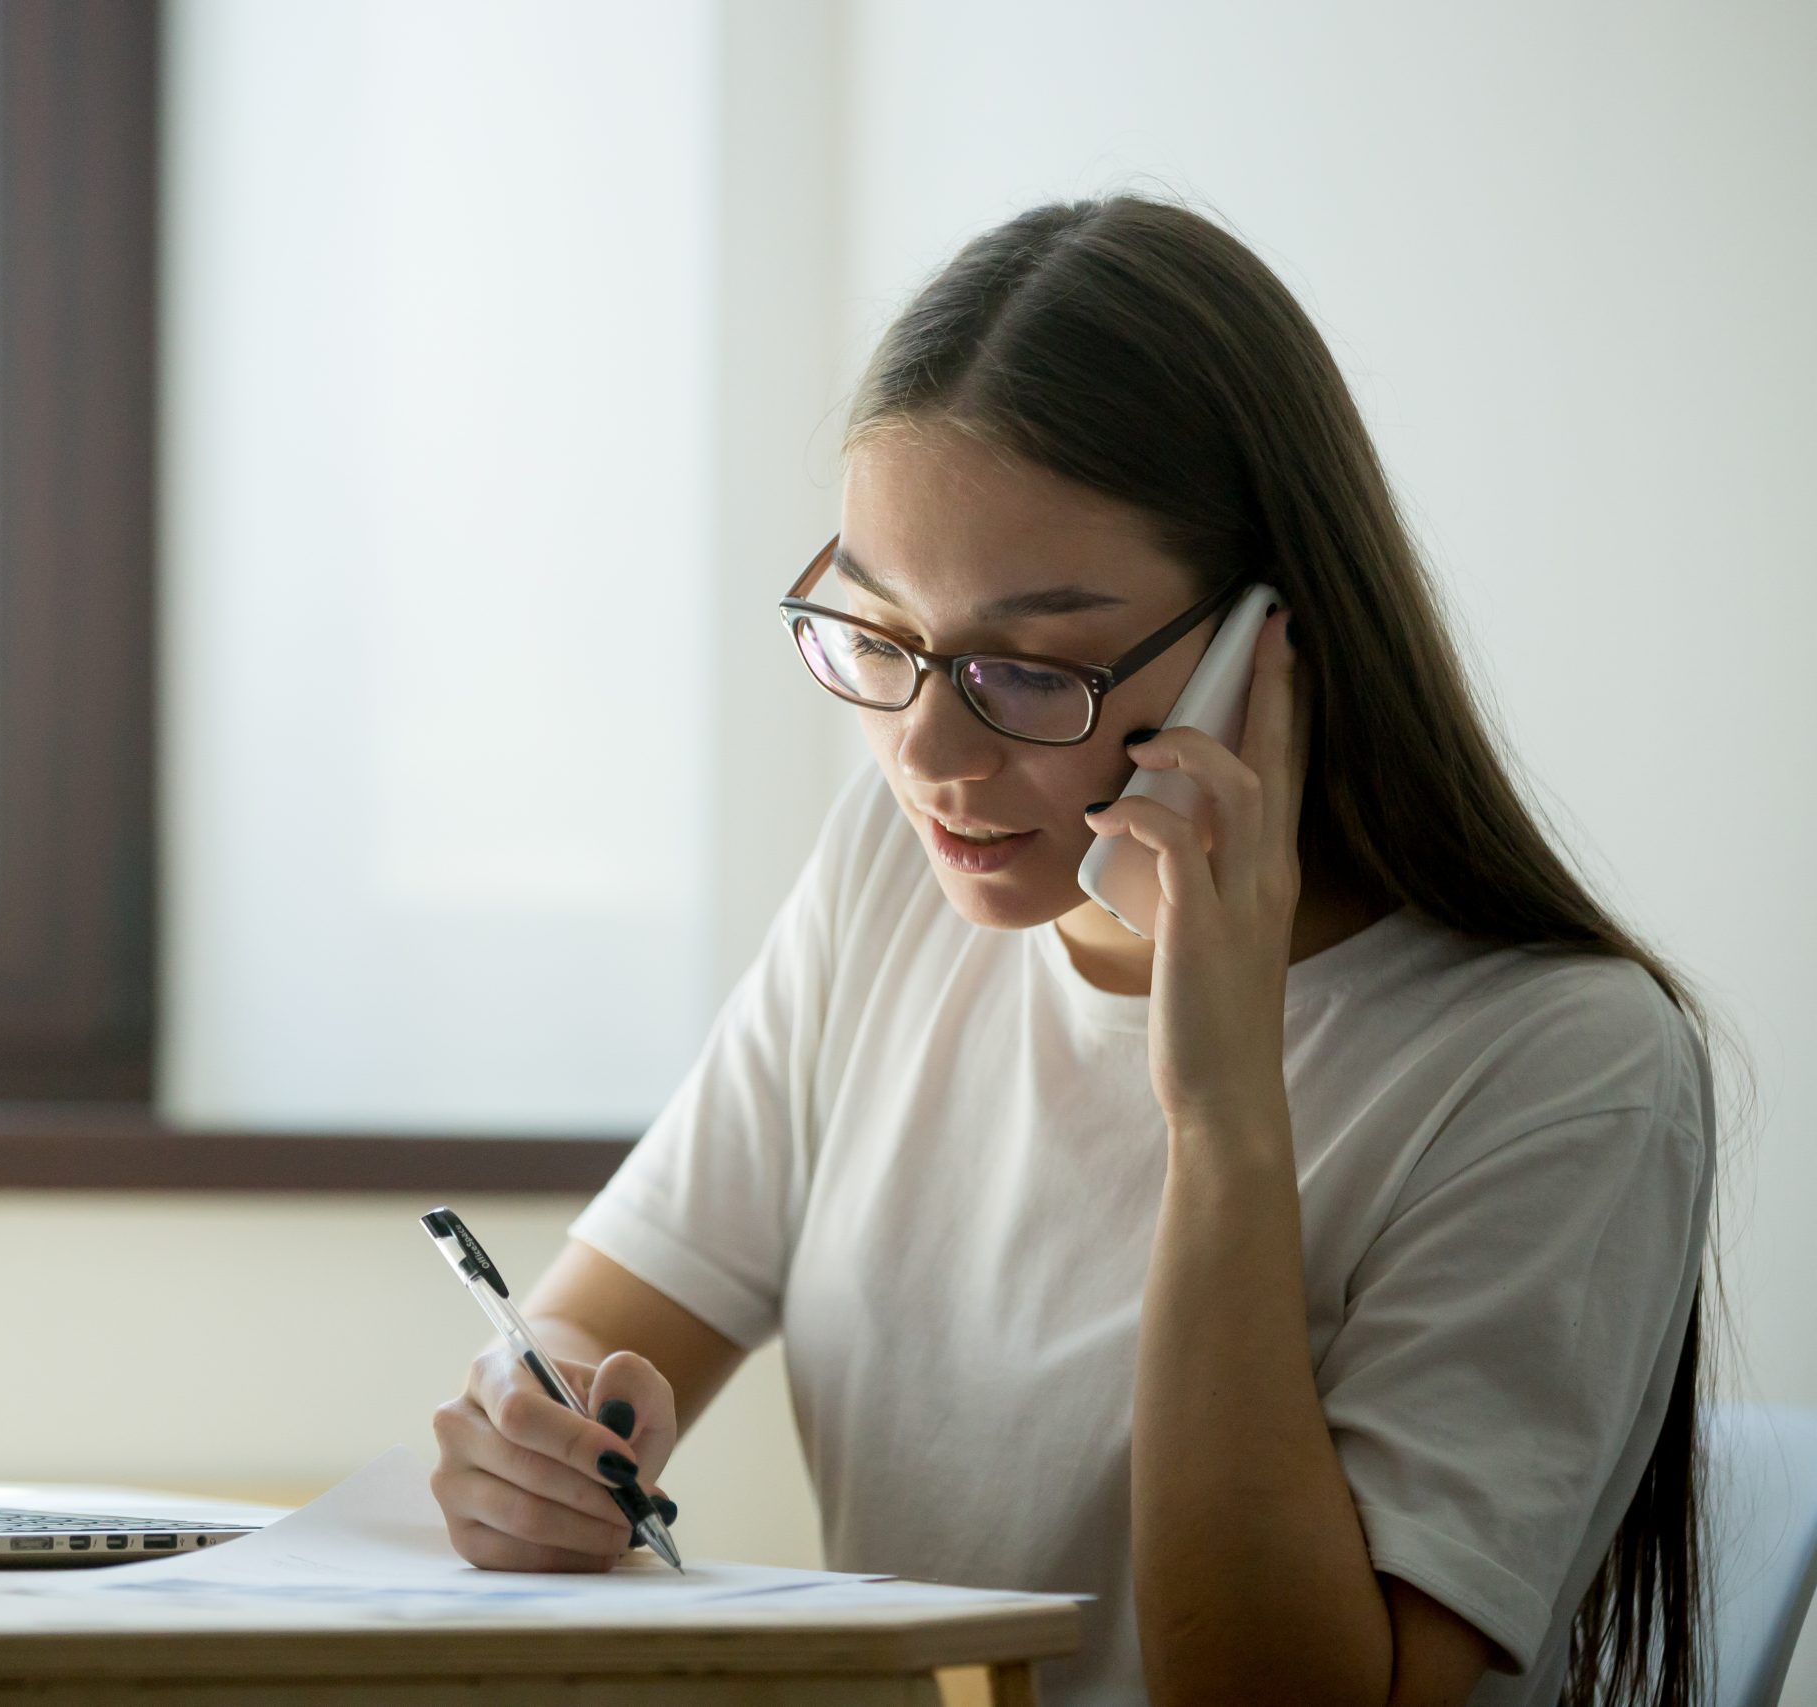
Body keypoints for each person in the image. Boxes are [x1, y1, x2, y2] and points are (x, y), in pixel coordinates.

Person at [426, 194, 1725, 1707]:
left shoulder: (1562, 1064)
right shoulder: (893, 881)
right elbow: (600, 1324)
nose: (928, 756)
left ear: (1266, 642)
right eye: (882, 635)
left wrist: (1225, 1116)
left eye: (1026, 670)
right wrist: (544, 1434)